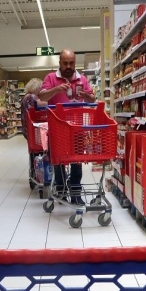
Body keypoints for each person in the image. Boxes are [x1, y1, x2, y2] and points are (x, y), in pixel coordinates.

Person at [39, 49, 96, 205]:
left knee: (76, 161)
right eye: (65, 63)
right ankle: (62, 190)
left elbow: (92, 100)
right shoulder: (51, 78)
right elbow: (42, 96)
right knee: (58, 160)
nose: (69, 66)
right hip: (57, 128)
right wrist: (56, 89)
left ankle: (76, 192)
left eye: (71, 63)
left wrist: (86, 96)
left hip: (77, 128)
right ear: (60, 63)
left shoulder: (82, 79)